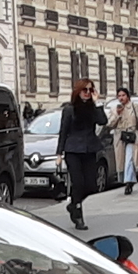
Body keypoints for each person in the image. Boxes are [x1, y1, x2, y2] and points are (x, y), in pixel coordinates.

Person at [57, 77, 107, 229]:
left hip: (90, 149)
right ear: (78, 91)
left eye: (90, 90)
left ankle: (72, 204)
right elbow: (63, 132)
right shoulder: (69, 109)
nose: (87, 93)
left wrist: (97, 103)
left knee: (91, 185)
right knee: (78, 182)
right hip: (73, 150)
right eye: (84, 90)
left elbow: (102, 121)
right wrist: (59, 154)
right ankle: (78, 216)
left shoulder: (93, 109)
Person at [108, 87, 138, 188]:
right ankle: (125, 179)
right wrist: (117, 114)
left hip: (132, 135)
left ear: (128, 96)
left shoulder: (135, 107)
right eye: (119, 96)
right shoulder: (115, 109)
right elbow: (110, 124)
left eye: (123, 95)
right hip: (120, 136)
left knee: (130, 158)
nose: (121, 98)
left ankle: (129, 182)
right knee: (121, 160)